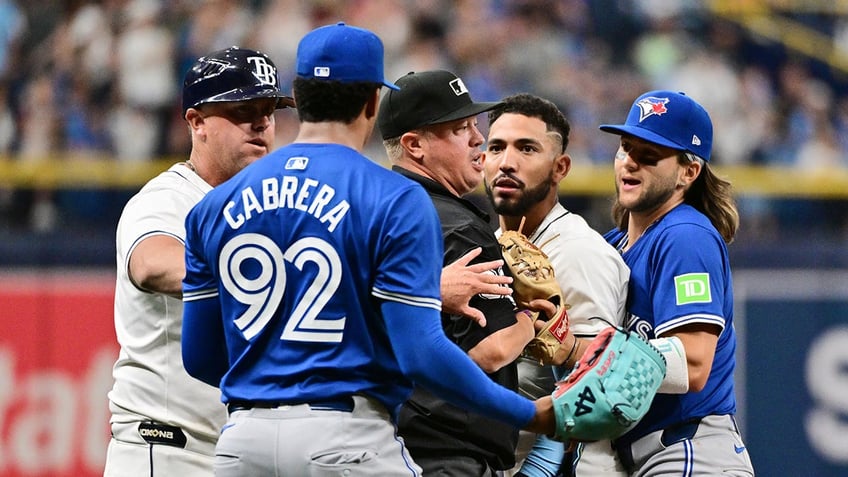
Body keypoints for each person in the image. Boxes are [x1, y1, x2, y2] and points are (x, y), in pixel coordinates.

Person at [180, 23, 555, 477]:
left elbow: (200, 358)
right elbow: (422, 354)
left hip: (243, 442)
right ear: (372, 101)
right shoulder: (393, 197)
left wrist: (273, 378)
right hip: (344, 437)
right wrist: (528, 413)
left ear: (298, 96)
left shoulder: (213, 205)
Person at [104, 47, 295, 476]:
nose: (261, 123)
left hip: (239, 455)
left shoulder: (269, 211)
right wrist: (266, 277)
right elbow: (152, 264)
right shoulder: (168, 198)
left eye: (269, 109)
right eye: (243, 109)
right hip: (170, 451)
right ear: (196, 122)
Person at [378, 69, 539, 476]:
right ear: (414, 145)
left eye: (474, 124)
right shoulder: (457, 224)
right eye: (458, 128)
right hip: (450, 452)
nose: (477, 138)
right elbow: (495, 348)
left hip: (386, 442)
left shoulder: (377, 211)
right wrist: (534, 317)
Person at [599, 90, 755, 475]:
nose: (630, 163)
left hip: (689, 453)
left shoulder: (685, 236)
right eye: (625, 147)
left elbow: (693, 362)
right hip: (649, 455)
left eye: (649, 155)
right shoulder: (613, 244)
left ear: (689, 171)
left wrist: (585, 352)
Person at [483, 93, 631, 477]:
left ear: (560, 167)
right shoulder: (487, 245)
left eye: (526, 148)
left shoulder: (578, 251)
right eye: (496, 147)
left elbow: (600, 396)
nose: (506, 162)